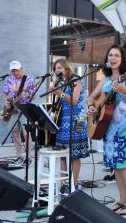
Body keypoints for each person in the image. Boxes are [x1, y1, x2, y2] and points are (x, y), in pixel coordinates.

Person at [88, 45, 126, 215]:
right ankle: (122, 200)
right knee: (116, 166)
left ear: (122, 59)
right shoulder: (105, 80)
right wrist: (92, 107)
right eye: (110, 55)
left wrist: (123, 90)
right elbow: (91, 97)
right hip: (109, 126)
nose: (113, 58)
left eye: (116, 55)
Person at [50, 59, 89, 190]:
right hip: (64, 121)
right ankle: (63, 184)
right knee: (62, 155)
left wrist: (58, 92)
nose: (57, 70)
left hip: (77, 120)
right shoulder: (61, 83)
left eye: (59, 67)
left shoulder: (75, 80)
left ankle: (74, 183)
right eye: (55, 68)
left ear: (66, 68)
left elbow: (74, 100)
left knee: (74, 155)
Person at [2, 60, 36, 166]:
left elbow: (34, 95)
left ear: (22, 69)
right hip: (13, 110)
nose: (15, 73)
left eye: (16, 70)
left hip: (25, 109)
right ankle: (19, 156)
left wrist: (23, 93)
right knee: (14, 132)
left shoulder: (29, 80)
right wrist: (6, 102)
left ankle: (28, 157)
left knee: (26, 133)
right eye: (13, 71)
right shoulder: (9, 80)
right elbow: (5, 94)